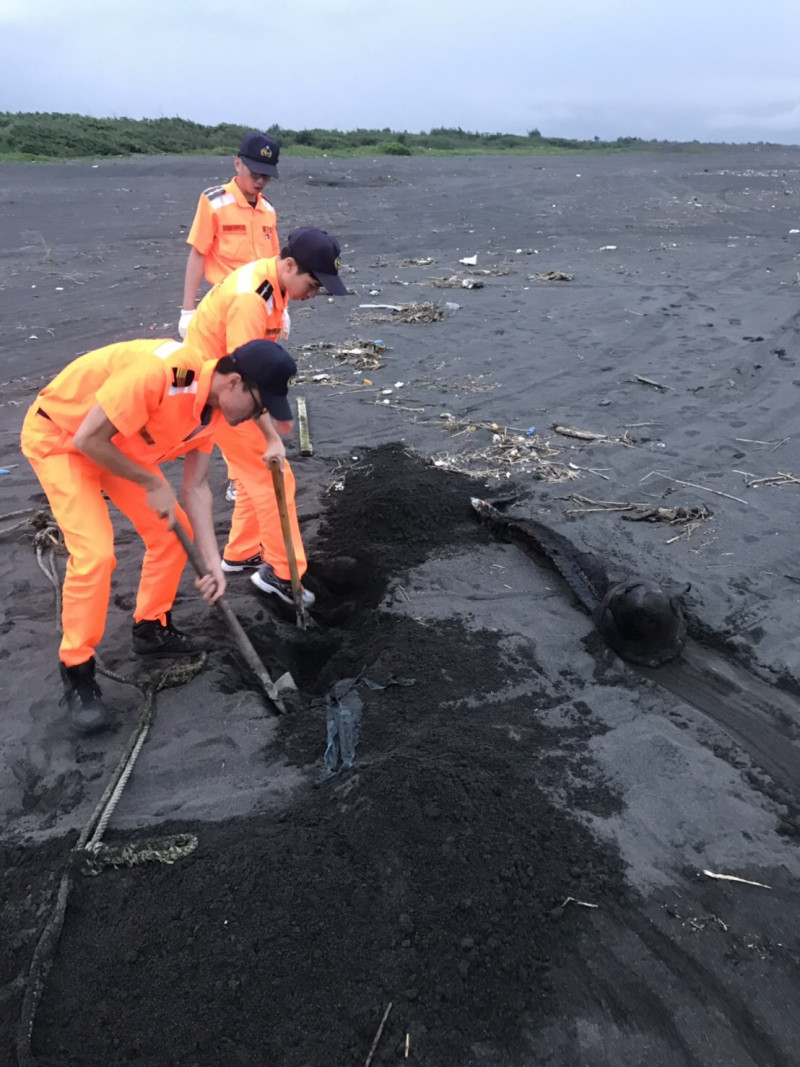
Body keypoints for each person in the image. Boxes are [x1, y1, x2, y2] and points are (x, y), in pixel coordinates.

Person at [20, 336, 297, 736]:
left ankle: (151, 627)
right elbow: (87, 439)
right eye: (260, 405)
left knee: (173, 533)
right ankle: (77, 670)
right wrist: (151, 482)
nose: (258, 416)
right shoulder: (162, 374)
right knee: (96, 553)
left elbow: (197, 488)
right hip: (63, 438)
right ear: (234, 382)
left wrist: (211, 563)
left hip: (117, 446)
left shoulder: (216, 412)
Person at [186, 226, 348, 607]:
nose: (315, 292)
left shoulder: (273, 281)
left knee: (250, 472)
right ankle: (282, 572)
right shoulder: (250, 300)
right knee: (274, 471)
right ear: (290, 264)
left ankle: (241, 553)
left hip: (225, 387)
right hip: (222, 395)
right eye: (313, 282)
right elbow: (246, 382)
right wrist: (272, 436)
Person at [179, 131, 281, 339]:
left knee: (263, 367)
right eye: (255, 174)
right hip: (227, 304)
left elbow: (275, 264)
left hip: (262, 305)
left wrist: (282, 309)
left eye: (266, 176)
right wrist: (187, 310)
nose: (260, 181)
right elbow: (198, 254)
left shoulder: (268, 209)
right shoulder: (215, 202)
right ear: (237, 164)